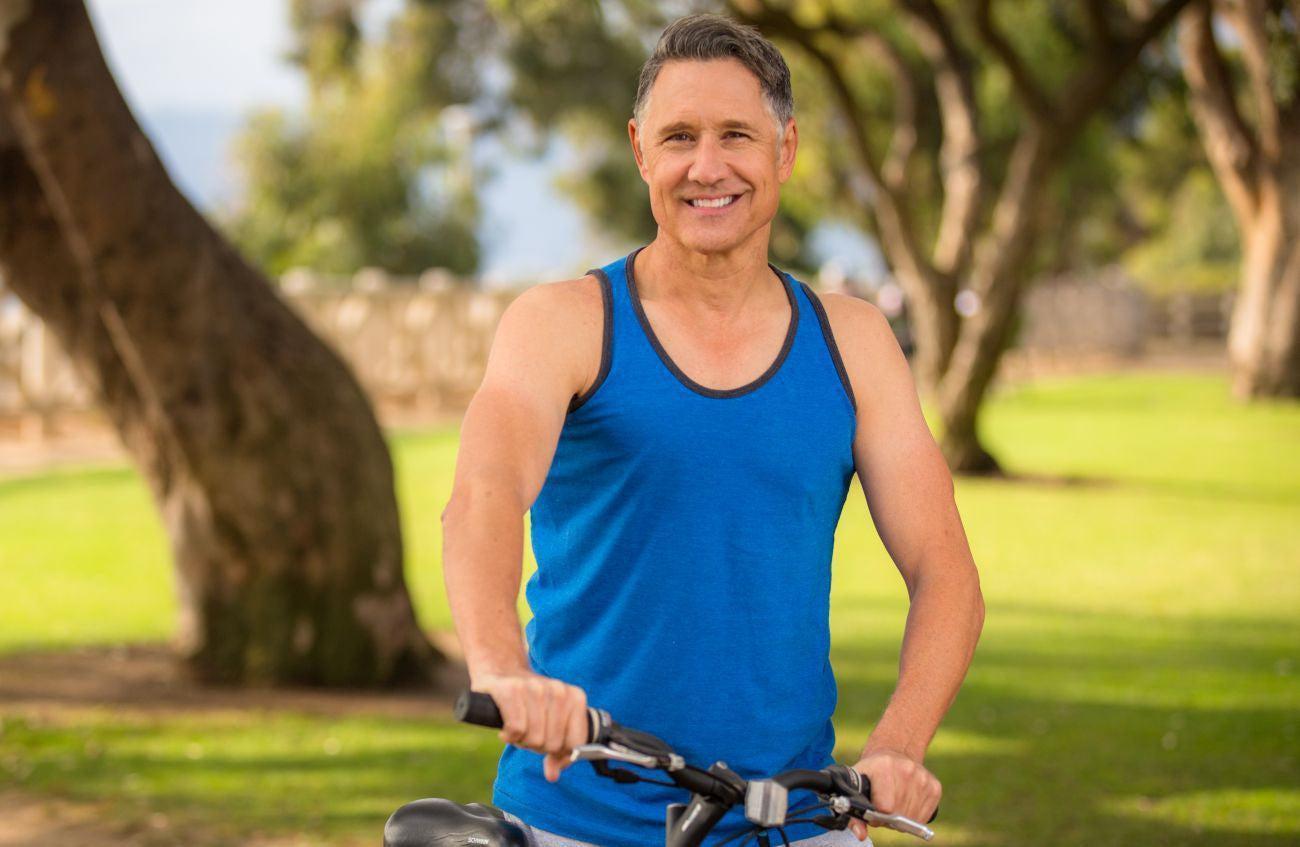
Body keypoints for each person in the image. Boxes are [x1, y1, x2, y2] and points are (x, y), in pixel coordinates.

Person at [441, 13, 985, 847]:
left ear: (785, 151)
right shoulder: (563, 324)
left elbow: (944, 570)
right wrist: (503, 670)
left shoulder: (854, 342)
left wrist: (898, 748)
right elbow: (484, 493)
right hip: (574, 817)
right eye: (679, 137)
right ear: (639, 151)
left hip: (800, 819)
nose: (707, 166)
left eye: (736, 135)